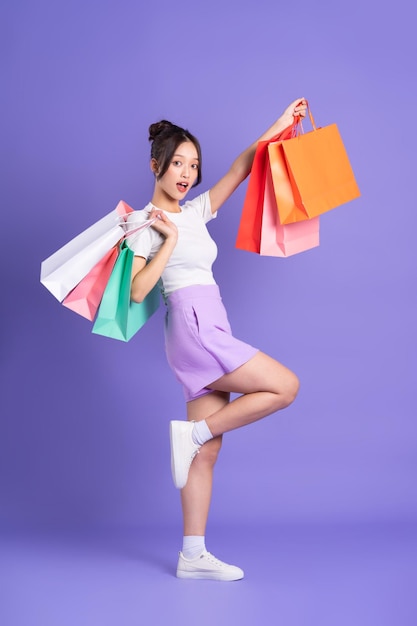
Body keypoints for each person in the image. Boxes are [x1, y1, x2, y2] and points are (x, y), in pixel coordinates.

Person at [128, 98, 307, 581]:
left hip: (209, 325)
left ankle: (192, 555)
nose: (186, 173)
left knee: (205, 455)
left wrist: (279, 124)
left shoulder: (194, 212)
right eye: (177, 164)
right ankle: (193, 434)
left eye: (193, 165)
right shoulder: (143, 224)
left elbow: (240, 167)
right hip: (194, 326)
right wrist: (165, 241)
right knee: (284, 386)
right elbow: (139, 290)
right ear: (156, 165)